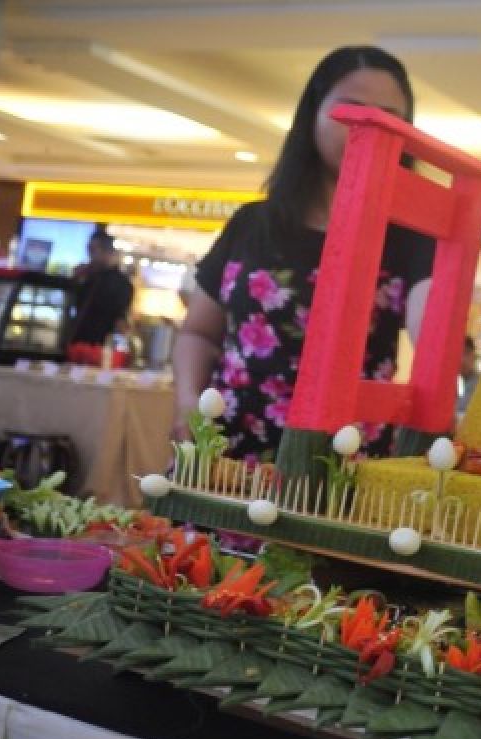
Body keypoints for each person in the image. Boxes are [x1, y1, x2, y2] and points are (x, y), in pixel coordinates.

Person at [172, 46, 435, 460]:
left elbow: (431, 335)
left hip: (341, 470)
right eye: (351, 110)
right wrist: (187, 400)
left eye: (390, 118)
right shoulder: (252, 224)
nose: (370, 128)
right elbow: (198, 333)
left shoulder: (413, 238)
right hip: (225, 452)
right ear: (312, 113)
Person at [69, 228, 134, 347]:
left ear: (107, 252)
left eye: (93, 251)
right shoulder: (89, 276)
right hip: (77, 343)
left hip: (100, 347)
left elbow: (119, 318)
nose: (90, 256)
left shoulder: (119, 283)